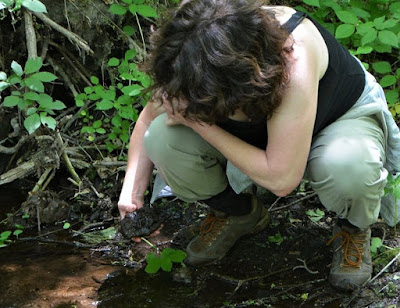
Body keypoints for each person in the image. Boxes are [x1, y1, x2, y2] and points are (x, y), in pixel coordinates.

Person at [118, 0, 400, 291]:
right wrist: (132, 192)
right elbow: (148, 120)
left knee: (349, 164)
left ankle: (353, 227)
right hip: (258, 122)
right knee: (162, 138)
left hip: (335, 120)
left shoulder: (294, 57)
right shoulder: (193, 44)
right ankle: (239, 213)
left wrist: (198, 122)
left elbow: (281, 179)